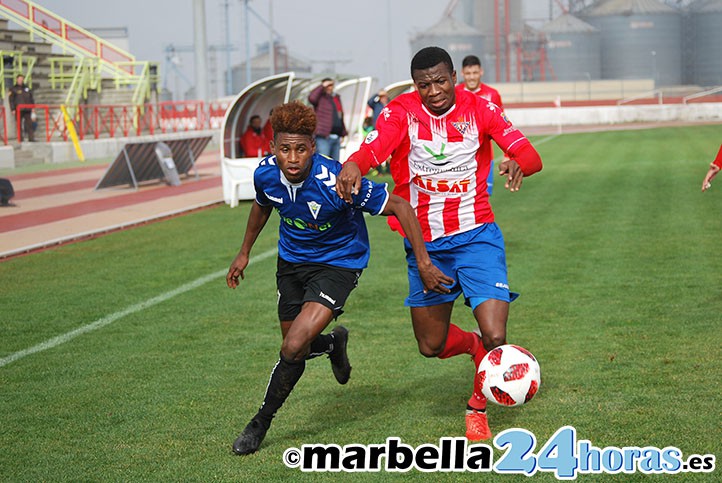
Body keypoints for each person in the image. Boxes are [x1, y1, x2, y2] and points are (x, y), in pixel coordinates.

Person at [336, 46, 543, 441]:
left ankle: (477, 405)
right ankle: (473, 348)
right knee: (430, 345)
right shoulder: (401, 111)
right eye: (424, 84)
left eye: (440, 81)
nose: (433, 91)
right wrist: (353, 165)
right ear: (416, 85)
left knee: (496, 335)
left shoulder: (479, 108)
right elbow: (374, 148)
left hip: (477, 235)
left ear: (454, 77)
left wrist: (518, 159)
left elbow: (532, 159)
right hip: (425, 244)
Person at [226, 101, 451, 455]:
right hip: (291, 262)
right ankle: (333, 344)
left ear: (313, 148)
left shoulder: (338, 181)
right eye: (285, 149)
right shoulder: (265, 174)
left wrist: (423, 262)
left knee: (293, 345)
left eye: (301, 149)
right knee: (296, 345)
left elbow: (402, 207)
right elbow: (262, 204)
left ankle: (259, 424)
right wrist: (244, 252)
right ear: (273, 149)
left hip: (339, 264)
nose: (293, 158)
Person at [457, 55, 505, 195]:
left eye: (475, 73)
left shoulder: (492, 94)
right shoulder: (455, 94)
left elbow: (502, 126)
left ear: (481, 72)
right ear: (462, 73)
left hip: (484, 157)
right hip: (459, 158)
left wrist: (507, 154)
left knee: (483, 197)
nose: (471, 77)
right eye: (468, 73)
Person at [308, 78, 347, 160]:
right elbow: (311, 98)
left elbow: (340, 115)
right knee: (323, 161)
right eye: (327, 85)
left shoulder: (336, 98)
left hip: (336, 136)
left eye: (331, 85)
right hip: (324, 136)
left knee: (335, 164)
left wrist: (343, 133)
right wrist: (322, 85)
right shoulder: (321, 98)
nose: (329, 87)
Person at [8, 74, 35, 142]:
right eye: (19, 79)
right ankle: (20, 138)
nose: (20, 80)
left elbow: (31, 98)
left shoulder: (27, 88)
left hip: (27, 108)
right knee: (19, 124)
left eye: (22, 79)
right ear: (17, 80)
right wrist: (13, 109)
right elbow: (11, 100)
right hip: (18, 109)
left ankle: (31, 138)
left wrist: (33, 107)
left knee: (29, 124)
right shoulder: (13, 89)